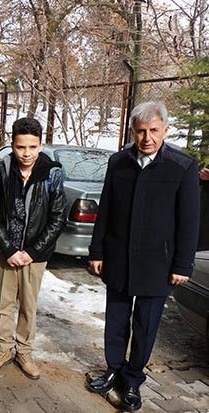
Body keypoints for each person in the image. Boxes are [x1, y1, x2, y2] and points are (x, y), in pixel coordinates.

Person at [86, 101, 200, 411]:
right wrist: (97, 251)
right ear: (132, 132)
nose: (146, 138)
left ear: (165, 130)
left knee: (145, 325)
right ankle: (113, 369)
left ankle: (133, 379)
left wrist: (182, 264)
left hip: (157, 264)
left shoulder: (182, 166)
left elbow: (189, 221)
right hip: (119, 257)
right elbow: (106, 208)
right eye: (140, 131)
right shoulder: (119, 162)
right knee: (116, 320)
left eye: (153, 130)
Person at [0, 117, 67, 379]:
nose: (26, 153)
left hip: (35, 256)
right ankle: (4, 349)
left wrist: (32, 252)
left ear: (40, 146)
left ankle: (25, 352)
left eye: (32, 147)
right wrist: (8, 250)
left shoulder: (52, 173)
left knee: (28, 306)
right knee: (4, 303)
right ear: (12, 145)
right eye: (21, 147)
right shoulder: (3, 171)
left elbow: (57, 218)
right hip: (7, 252)